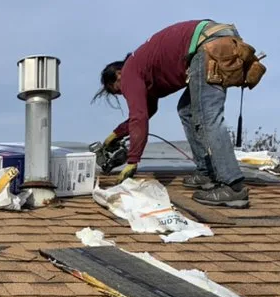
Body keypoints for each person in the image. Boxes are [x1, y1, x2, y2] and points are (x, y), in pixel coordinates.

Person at [93, 19, 266, 208]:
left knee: (208, 116)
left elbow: (139, 117)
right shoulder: (142, 66)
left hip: (206, 46)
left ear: (118, 74)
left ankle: (233, 187)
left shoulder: (128, 72)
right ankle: (206, 172)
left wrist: (133, 161)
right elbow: (147, 111)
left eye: (118, 90)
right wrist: (117, 134)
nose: (124, 93)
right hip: (216, 40)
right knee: (187, 110)